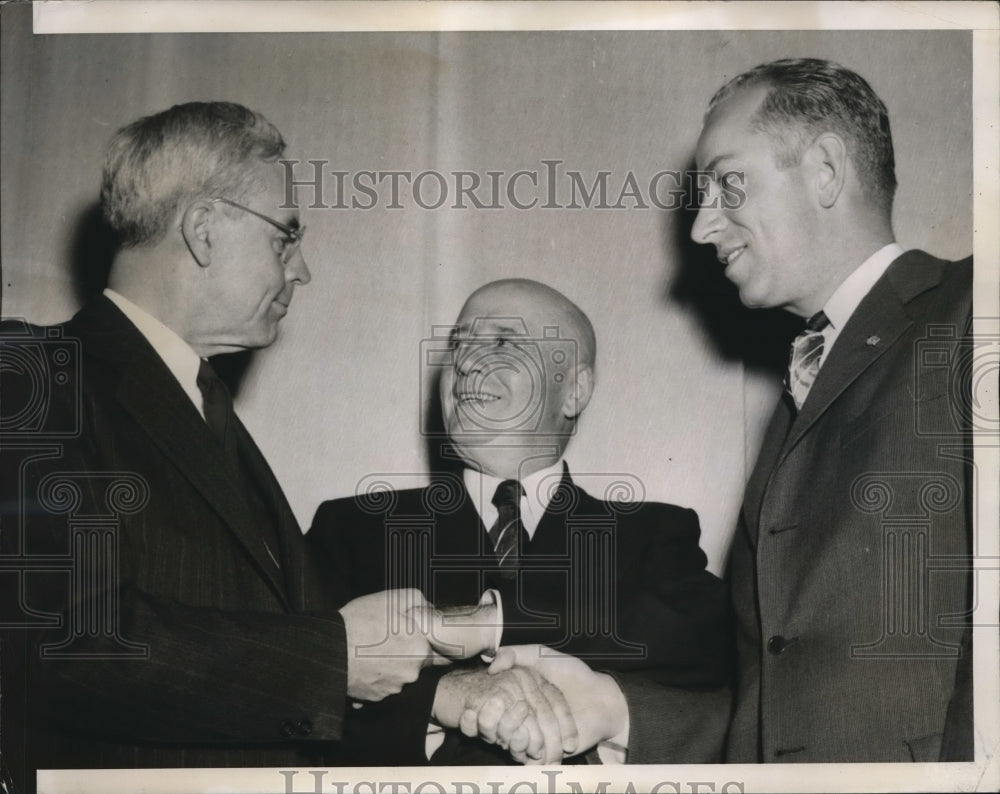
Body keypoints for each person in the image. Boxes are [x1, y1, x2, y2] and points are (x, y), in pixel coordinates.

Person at [0, 102, 547, 791]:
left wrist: (443, 697)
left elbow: (265, 658)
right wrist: (334, 657)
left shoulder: (201, 407)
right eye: (286, 237)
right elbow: (57, 640)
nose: (302, 270)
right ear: (203, 230)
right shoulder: (28, 375)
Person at [492, 57, 974, 765]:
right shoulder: (802, 392)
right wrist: (618, 709)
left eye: (726, 182)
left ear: (825, 170)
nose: (700, 228)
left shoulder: (972, 309)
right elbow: (787, 698)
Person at [307, 278, 731, 765]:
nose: (464, 361)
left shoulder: (653, 533)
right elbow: (293, 690)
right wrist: (439, 700)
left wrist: (494, 622)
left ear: (574, 390)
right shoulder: (353, 529)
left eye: (503, 342)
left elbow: (707, 639)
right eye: (459, 343)